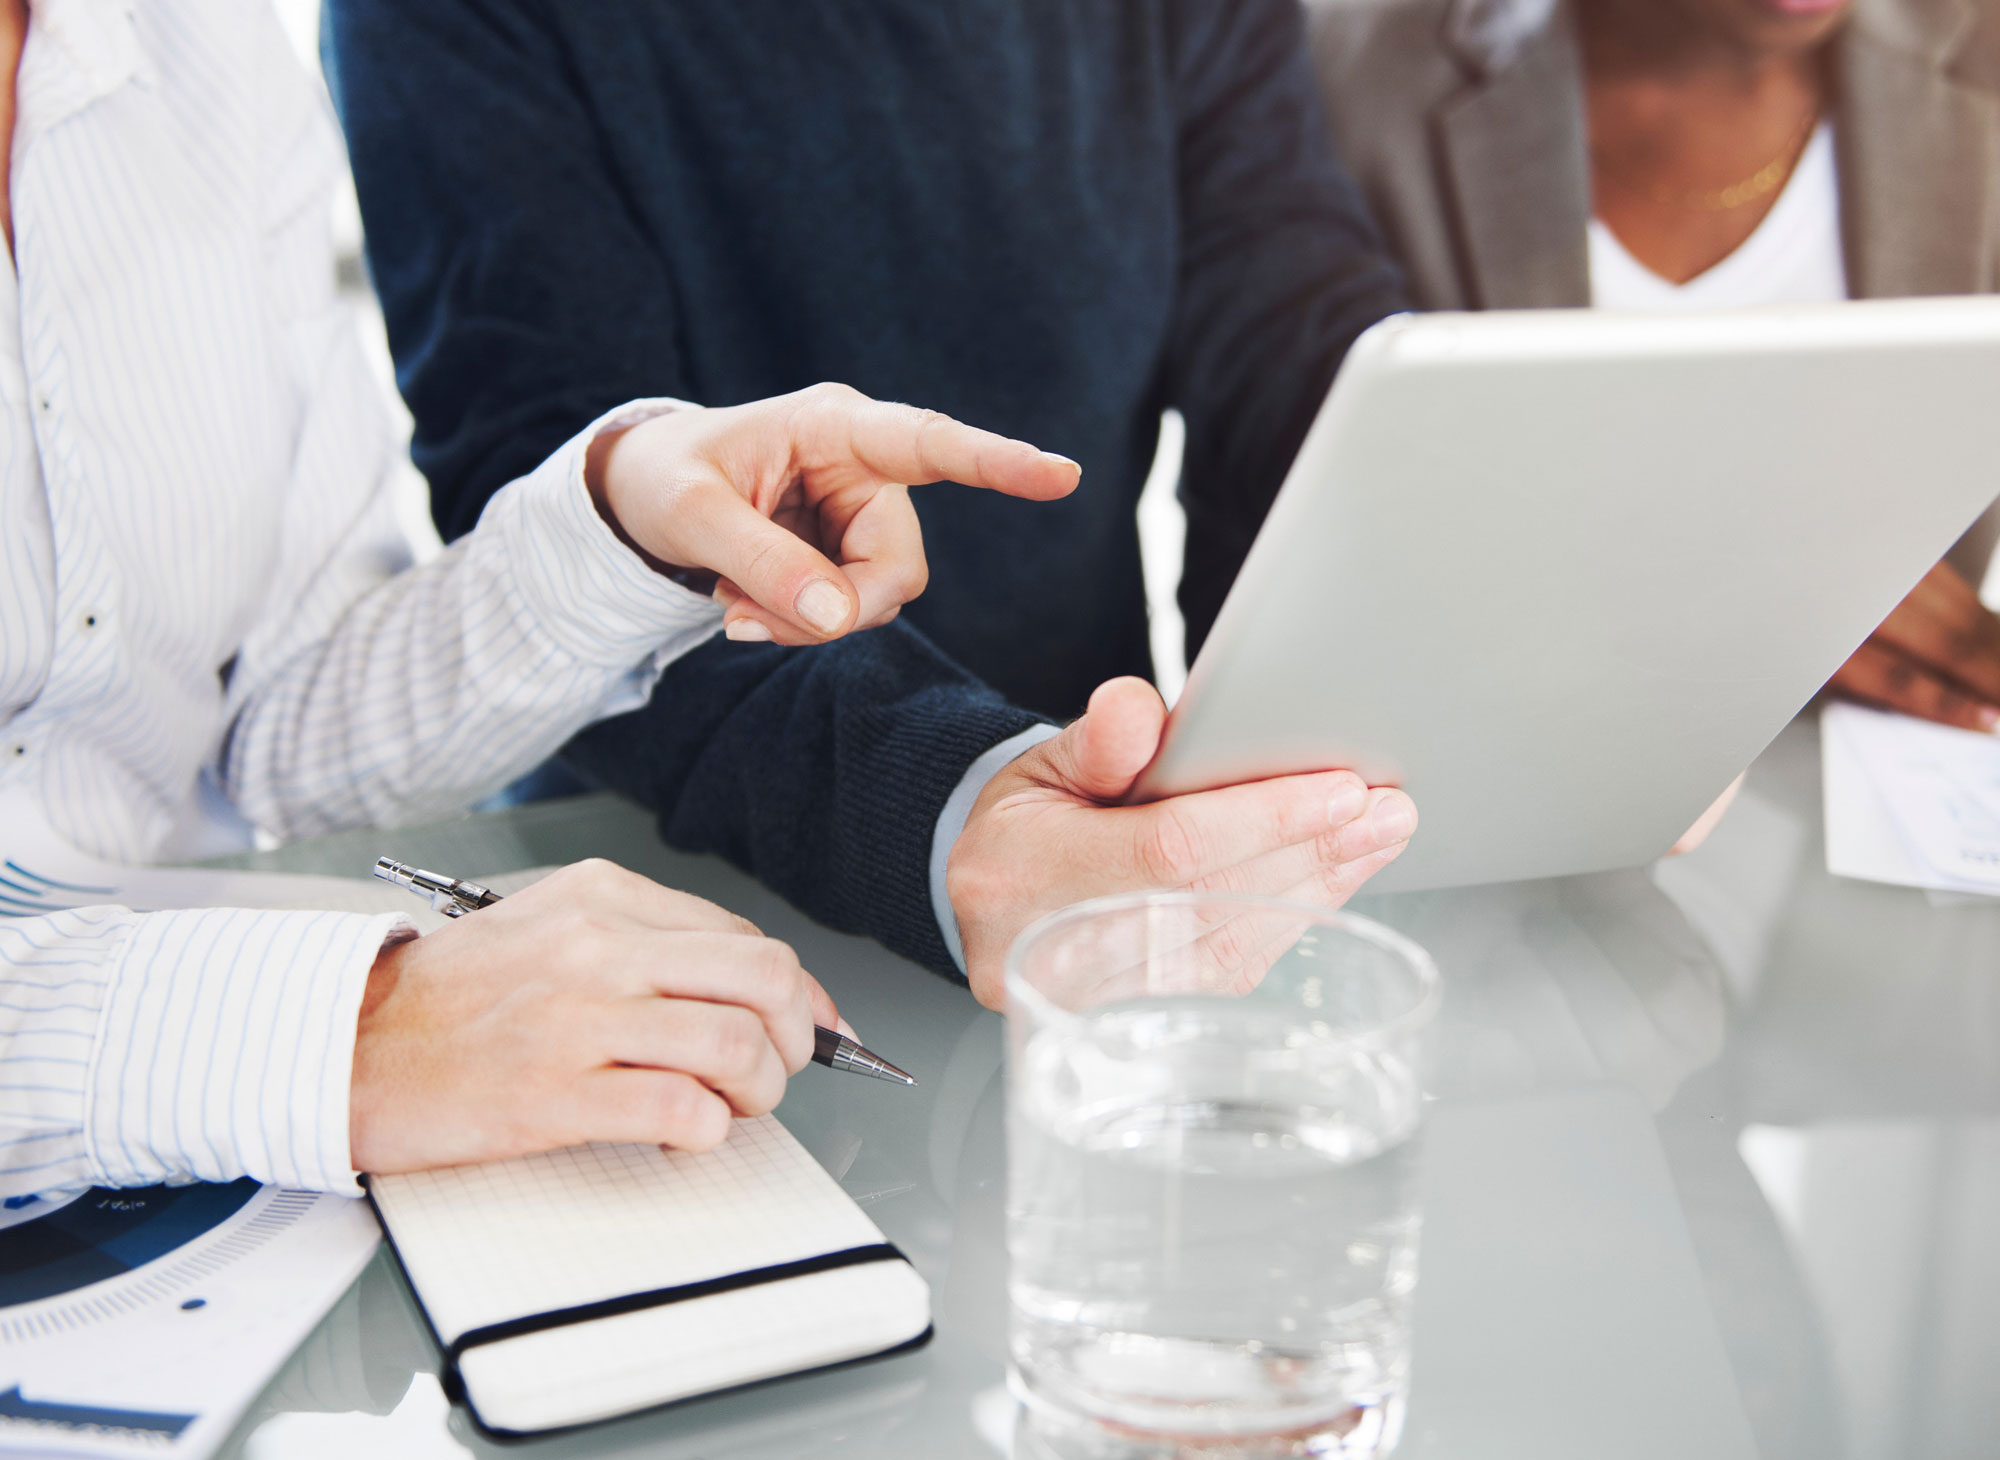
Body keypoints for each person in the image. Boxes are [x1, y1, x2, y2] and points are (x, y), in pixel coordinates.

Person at [0, 0, 1109, 1198]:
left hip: (215, 1150)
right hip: (198, 1101)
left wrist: (628, 525)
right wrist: (340, 1030)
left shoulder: (194, 52)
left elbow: (274, 729)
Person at [323, 0, 1422, 1002]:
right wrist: (952, 807)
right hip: (649, 884)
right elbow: (554, 491)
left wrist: (1309, 697)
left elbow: (1279, 332)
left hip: (1110, 827)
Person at [1305, 0, 2000, 733]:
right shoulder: (1348, 75)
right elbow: (1294, 565)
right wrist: (1728, 600)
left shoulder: (1978, 50)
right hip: (1499, 752)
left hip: (1885, 783)